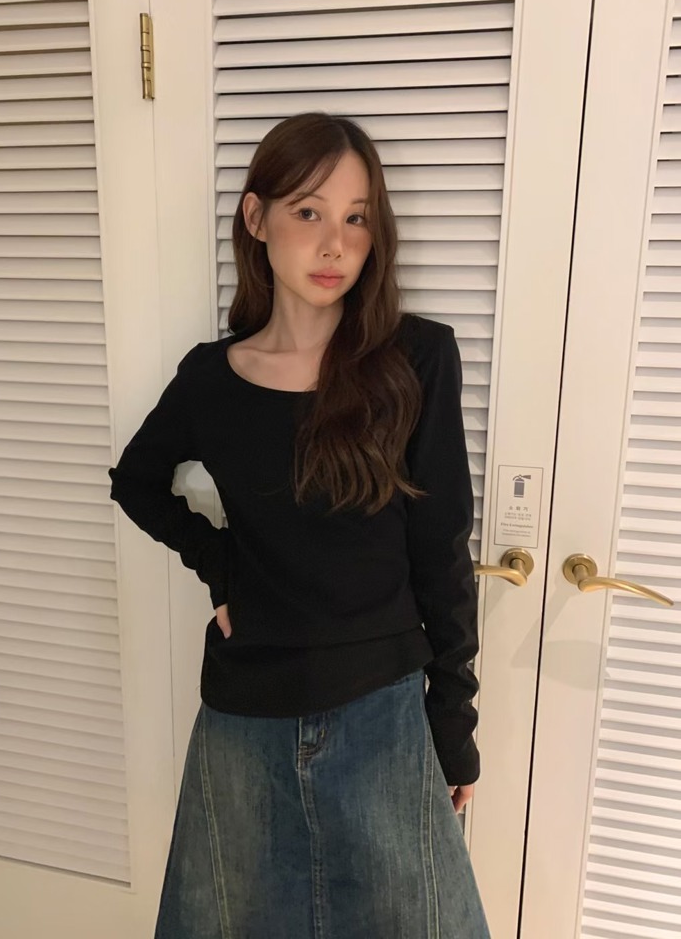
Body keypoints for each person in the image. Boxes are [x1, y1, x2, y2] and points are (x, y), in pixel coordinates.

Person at [107, 111, 490, 938]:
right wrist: (222, 568)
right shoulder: (212, 380)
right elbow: (135, 483)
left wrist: (454, 725)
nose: (334, 244)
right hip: (244, 720)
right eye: (308, 211)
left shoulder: (417, 359)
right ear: (257, 218)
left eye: (357, 217)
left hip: (385, 710)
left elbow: (442, 552)